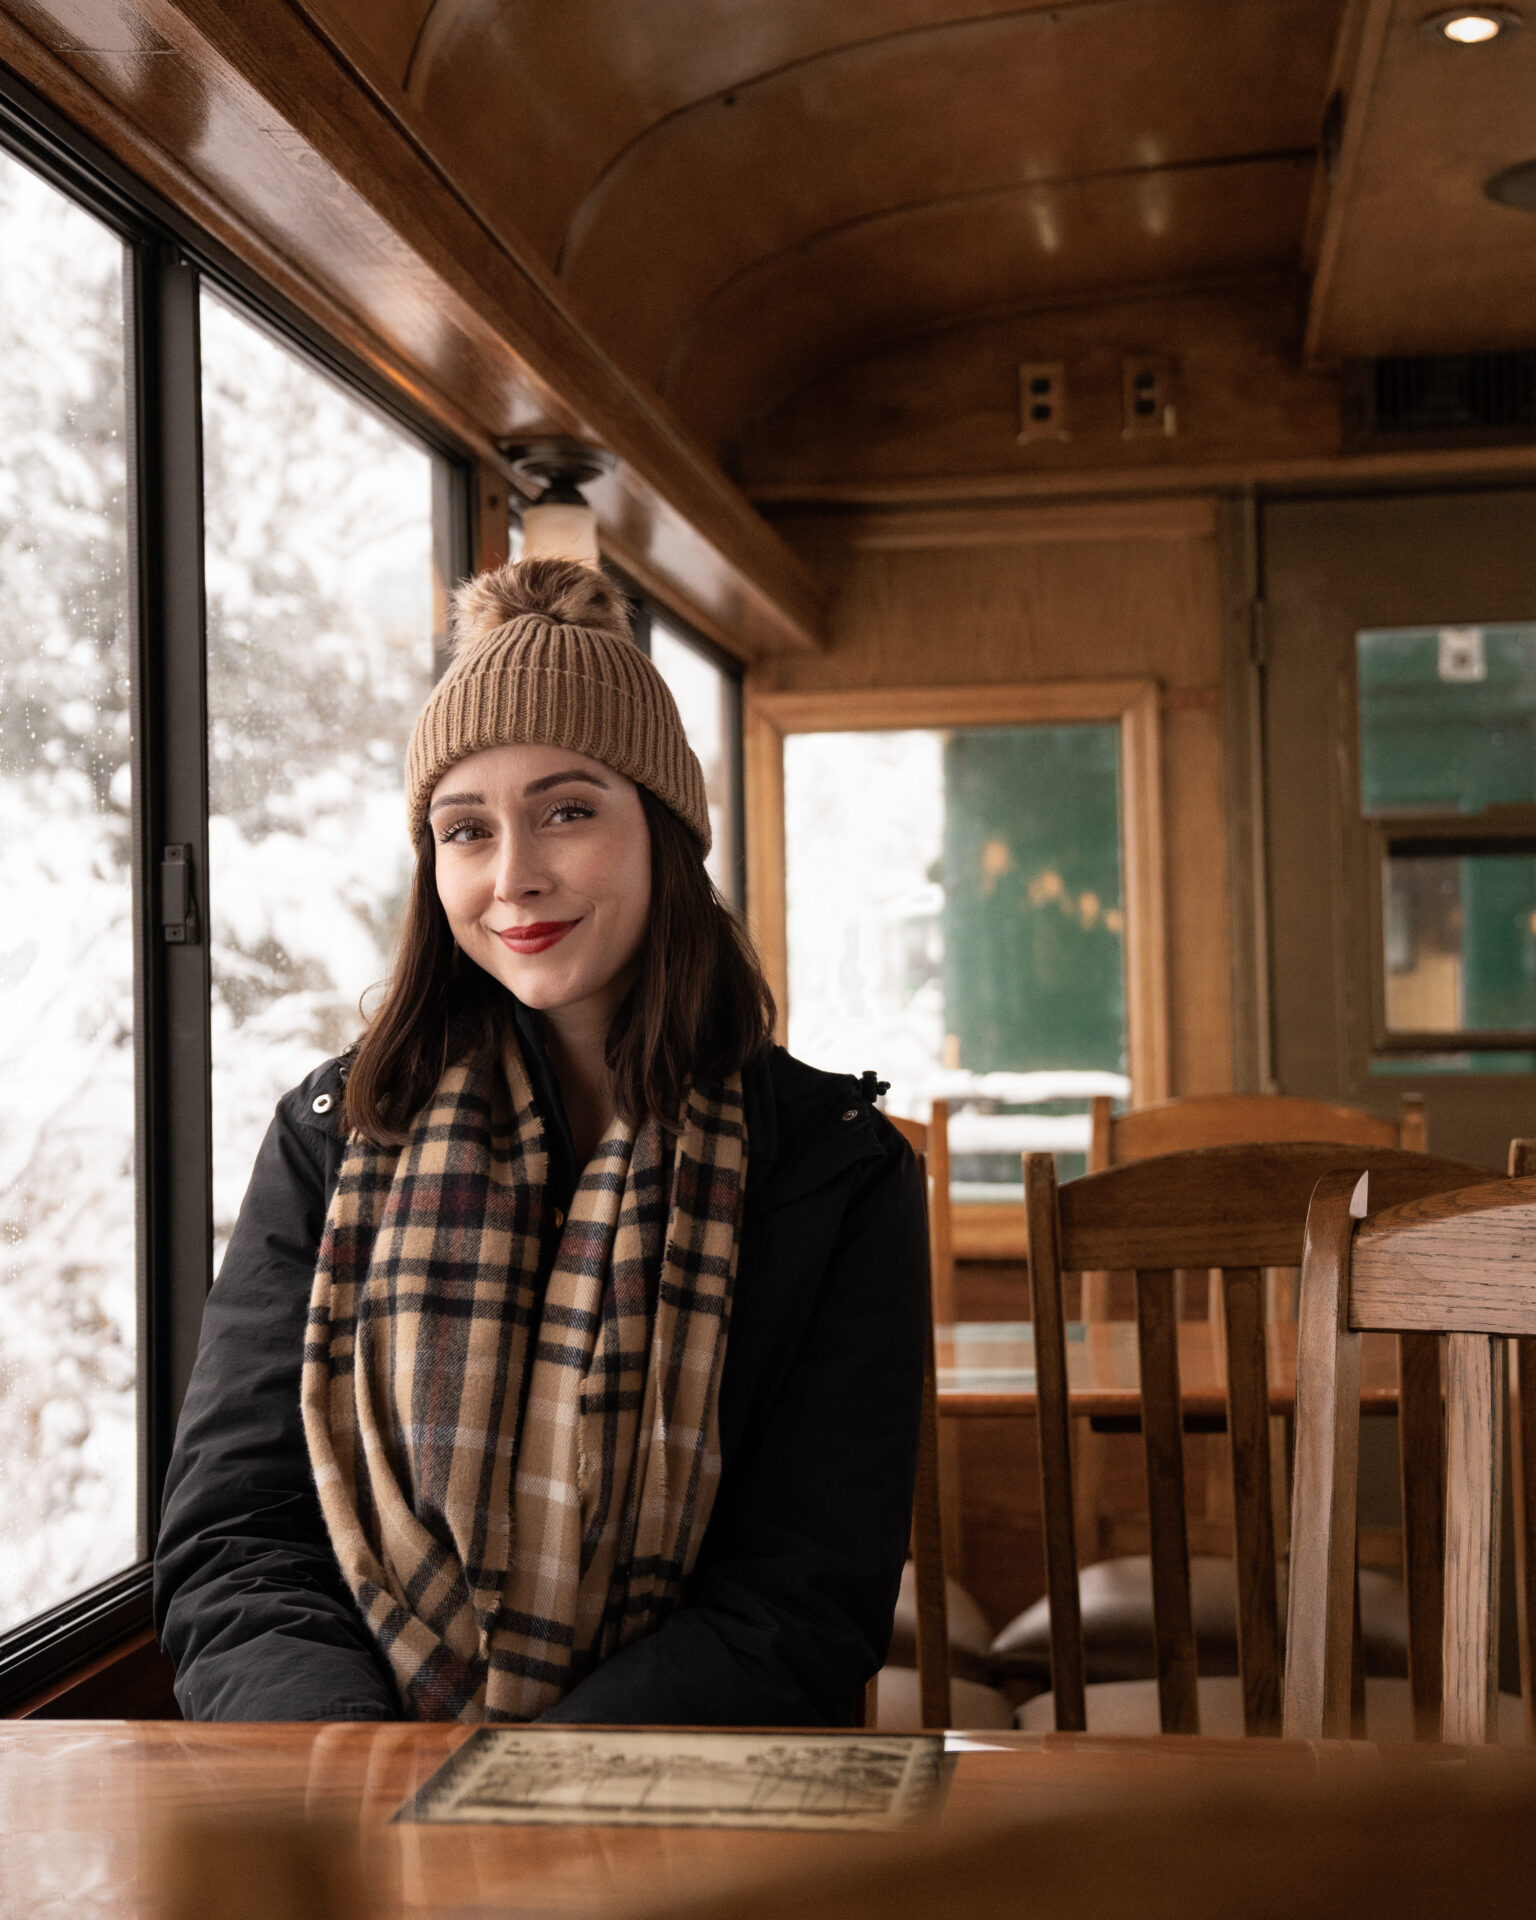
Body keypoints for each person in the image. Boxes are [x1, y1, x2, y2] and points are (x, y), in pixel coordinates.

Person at [154, 558, 928, 1725]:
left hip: (684, 1824)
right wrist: (361, 1788)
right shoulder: (331, 1138)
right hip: (356, 1823)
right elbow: (238, 1538)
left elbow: (804, 1596)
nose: (514, 876)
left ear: (665, 833)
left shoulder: (834, 1168)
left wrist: (524, 1801)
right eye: (466, 831)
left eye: (568, 811)